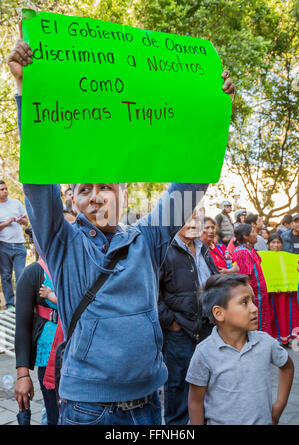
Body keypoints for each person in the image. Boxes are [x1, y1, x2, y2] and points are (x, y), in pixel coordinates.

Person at [8, 36, 235, 425]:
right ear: (71, 200)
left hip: (150, 404)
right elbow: (37, 177)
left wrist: (214, 114)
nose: (95, 197)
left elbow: (189, 187)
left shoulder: (147, 238)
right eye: (84, 189)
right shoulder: (62, 243)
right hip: (88, 409)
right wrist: (27, 92)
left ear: (124, 193)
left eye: (106, 187)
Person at [186, 274, 294, 425]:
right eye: (244, 302)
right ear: (219, 313)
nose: (254, 308)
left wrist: (278, 407)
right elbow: (195, 402)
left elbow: (287, 367)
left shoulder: (265, 343)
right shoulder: (204, 353)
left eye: (253, 300)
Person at [158, 211, 219, 425]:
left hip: (207, 327)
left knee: (206, 382)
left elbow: (214, 281)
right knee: (178, 385)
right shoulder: (165, 250)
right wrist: (171, 322)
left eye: (197, 219)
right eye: (187, 219)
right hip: (180, 331)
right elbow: (152, 292)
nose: (193, 224)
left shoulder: (203, 249)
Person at [14, 256, 59, 424]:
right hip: (50, 361)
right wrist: (23, 376)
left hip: (82, 358)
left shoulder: (78, 265)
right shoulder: (33, 273)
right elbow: (22, 327)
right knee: (55, 416)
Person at [232, 223, 272, 335]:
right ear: (245, 236)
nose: (256, 234)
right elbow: (244, 278)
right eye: (253, 232)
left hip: (260, 296)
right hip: (254, 298)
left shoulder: (250, 250)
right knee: (255, 324)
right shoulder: (242, 252)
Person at [267, 233, 299, 345]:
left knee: (288, 315)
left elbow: (292, 272)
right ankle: (277, 339)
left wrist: (292, 286)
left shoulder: (288, 256)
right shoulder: (264, 258)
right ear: (268, 244)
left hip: (288, 293)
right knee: (277, 316)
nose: (276, 245)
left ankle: (288, 338)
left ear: (282, 244)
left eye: (278, 242)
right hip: (274, 294)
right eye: (273, 242)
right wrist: (272, 287)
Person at [0, 180, 28, 309]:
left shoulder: (16, 203)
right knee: (6, 276)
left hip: (19, 245)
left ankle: (22, 304)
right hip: (3, 245)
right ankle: (10, 304)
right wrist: (7, 222)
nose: (5, 191)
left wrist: (21, 220)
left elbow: (26, 222)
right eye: (2, 190)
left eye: (6, 189)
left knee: (21, 275)